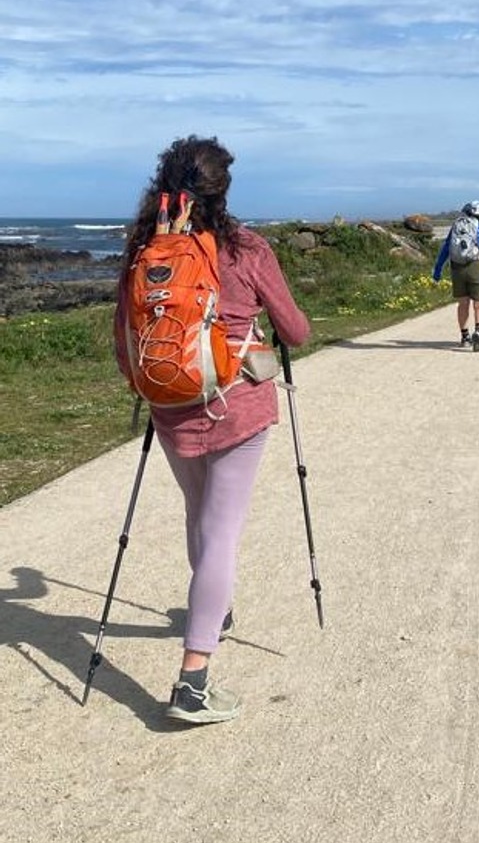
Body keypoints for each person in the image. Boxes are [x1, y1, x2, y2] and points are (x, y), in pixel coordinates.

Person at [114, 135, 310, 724]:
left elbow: (124, 342)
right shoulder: (247, 248)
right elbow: (295, 332)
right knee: (222, 531)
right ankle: (193, 679)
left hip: (171, 406)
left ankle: (212, 609)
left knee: (198, 513)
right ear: (222, 189)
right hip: (239, 407)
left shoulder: (146, 251)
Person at [432, 200, 479, 351]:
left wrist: (438, 269)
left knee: (463, 303)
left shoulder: (457, 227)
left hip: (457, 267)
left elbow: (446, 248)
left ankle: (465, 336)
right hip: (477, 265)